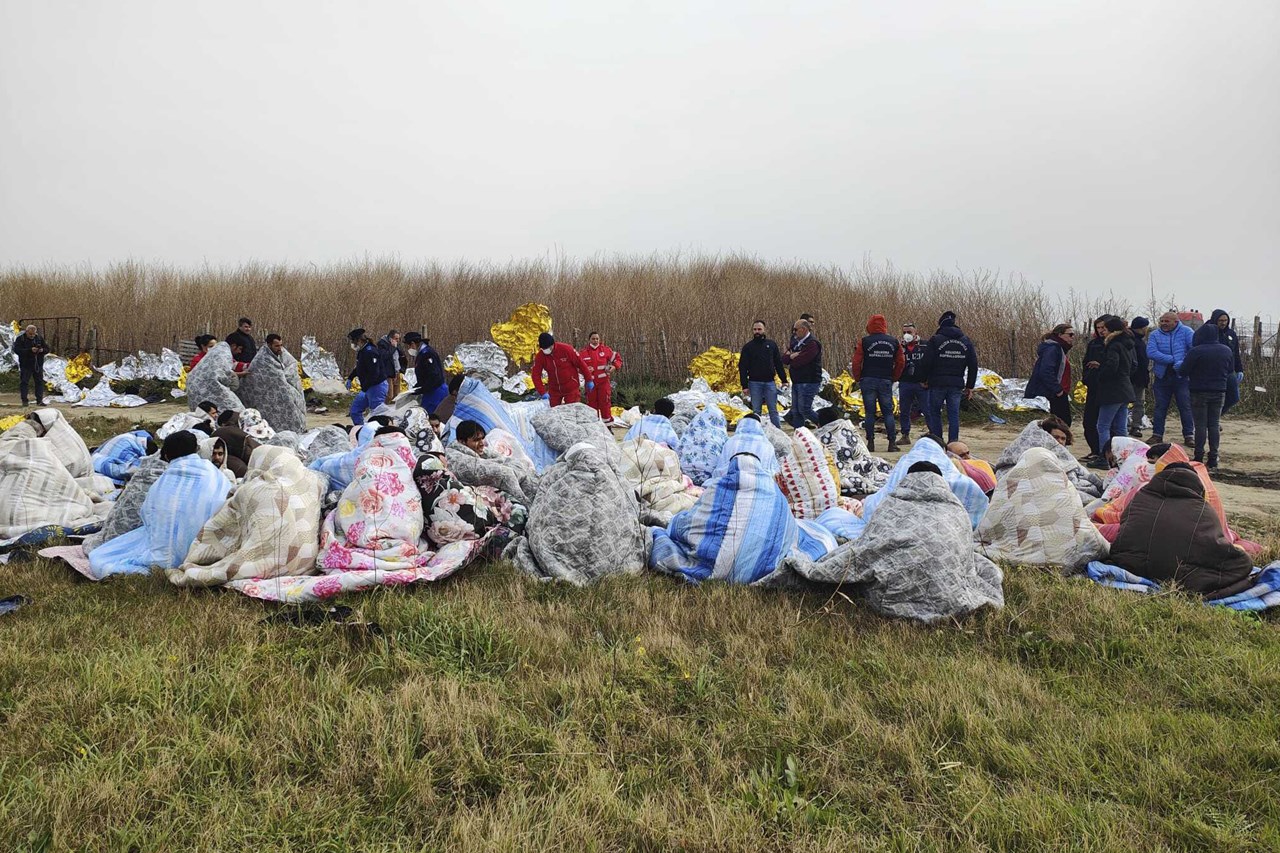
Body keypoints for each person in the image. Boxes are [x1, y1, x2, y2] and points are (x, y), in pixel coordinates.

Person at [1177, 322, 1234, 468]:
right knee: (1214, 424)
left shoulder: (1196, 351)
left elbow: (1183, 371)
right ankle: (1213, 457)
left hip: (1198, 390)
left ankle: (1198, 456)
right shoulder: (1226, 350)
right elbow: (1230, 370)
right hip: (1220, 390)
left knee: (1200, 425)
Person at [920, 311, 978, 444]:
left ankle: (937, 442)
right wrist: (970, 386)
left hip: (937, 383)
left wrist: (923, 379)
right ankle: (953, 442)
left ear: (941, 324)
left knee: (935, 413)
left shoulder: (935, 340)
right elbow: (973, 364)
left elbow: (926, 362)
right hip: (956, 384)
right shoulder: (966, 341)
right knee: (954, 415)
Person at [850, 314, 904, 452]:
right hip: (885, 380)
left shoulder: (865, 341)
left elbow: (856, 362)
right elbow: (901, 362)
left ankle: (870, 443)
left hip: (868, 379)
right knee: (888, 412)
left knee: (869, 412)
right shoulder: (894, 342)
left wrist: (858, 377)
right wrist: (894, 377)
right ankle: (892, 443)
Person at [1089, 317, 1137, 469]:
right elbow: (1132, 366)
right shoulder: (1128, 344)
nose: (1103, 331)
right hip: (1125, 389)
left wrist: (1100, 374)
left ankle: (1105, 457)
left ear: (1112, 330)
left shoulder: (1113, 345)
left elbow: (1112, 366)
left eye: (1106, 329)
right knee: (1121, 427)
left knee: (1102, 426)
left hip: (1112, 391)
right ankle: (1124, 456)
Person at [1146, 310, 1195, 447]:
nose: (1163, 324)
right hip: (1162, 376)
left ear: (1176, 322)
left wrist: (1182, 363)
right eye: (1162, 321)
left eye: (1167, 321)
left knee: (1185, 406)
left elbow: (1193, 350)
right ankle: (1157, 435)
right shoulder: (1154, 334)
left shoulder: (1187, 332)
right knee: (1160, 406)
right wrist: (1171, 359)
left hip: (1182, 376)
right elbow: (1151, 352)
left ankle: (1189, 435)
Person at [738, 320, 788, 428]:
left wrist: (784, 380)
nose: (757, 331)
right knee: (756, 411)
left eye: (759, 329)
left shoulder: (771, 345)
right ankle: (756, 431)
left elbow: (778, 363)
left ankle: (778, 433)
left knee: (773, 410)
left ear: (764, 330)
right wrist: (744, 385)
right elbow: (742, 367)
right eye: (755, 329)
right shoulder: (748, 347)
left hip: (770, 382)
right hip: (754, 383)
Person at [1024, 323, 1074, 425]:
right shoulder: (1052, 348)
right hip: (1053, 392)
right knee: (1061, 423)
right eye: (1070, 334)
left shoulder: (1059, 349)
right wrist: (1057, 390)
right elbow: (1046, 371)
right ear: (1060, 335)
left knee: (1060, 423)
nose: (1072, 338)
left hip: (1058, 391)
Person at [1079, 315, 1111, 457]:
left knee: (1106, 424)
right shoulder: (1093, 344)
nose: (1101, 331)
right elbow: (1085, 362)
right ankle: (1095, 450)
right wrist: (1086, 378)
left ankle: (1106, 453)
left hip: (1109, 388)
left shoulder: (1116, 344)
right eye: (1098, 328)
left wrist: (1100, 367)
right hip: (1093, 387)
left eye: (1103, 328)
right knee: (1089, 422)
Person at [531, 332, 592, 407]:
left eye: (547, 348)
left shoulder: (566, 349)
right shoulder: (540, 356)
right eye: (543, 349)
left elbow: (581, 364)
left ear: (552, 344)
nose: (546, 350)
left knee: (572, 412)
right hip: (554, 390)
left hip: (571, 387)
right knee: (554, 413)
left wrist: (589, 379)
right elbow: (535, 375)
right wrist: (542, 392)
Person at [782, 319, 822, 428]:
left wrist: (793, 358)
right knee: (796, 411)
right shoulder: (795, 342)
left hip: (809, 381)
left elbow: (800, 362)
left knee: (804, 409)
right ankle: (799, 433)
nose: (794, 332)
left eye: (795, 329)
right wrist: (791, 356)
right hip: (796, 380)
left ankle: (824, 423)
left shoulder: (812, 344)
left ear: (803, 329)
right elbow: (784, 359)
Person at [345, 328, 387, 426]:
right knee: (355, 411)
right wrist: (351, 377)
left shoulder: (370, 351)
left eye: (353, 341)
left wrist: (365, 388)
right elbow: (359, 367)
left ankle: (379, 432)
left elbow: (374, 373)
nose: (352, 344)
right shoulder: (362, 351)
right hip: (368, 387)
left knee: (377, 414)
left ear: (359, 340)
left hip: (376, 386)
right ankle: (361, 430)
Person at [579, 331, 623, 422]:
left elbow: (618, 359)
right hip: (591, 384)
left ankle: (608, 427)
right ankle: (594, 426)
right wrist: (585, 369)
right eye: (593, 339)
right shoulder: (583, 353)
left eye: (597, 339)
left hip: (603, 383)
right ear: (589, 340)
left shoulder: (605, 350)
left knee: (605, 404)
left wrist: (614, 366)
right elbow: (577, 366)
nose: (595, 341)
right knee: (592, 405)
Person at [1209, 309, 1245, 413]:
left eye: (1225, 320)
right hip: (1213, 372)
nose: (1223, 323)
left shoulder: (1231, 334)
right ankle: (1211, 421)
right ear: (1215, 320)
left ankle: (1214, 418)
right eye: (1220, 320)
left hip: (1229, 371)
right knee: (1214, 399)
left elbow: (1236, 353)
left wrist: (1239, 370)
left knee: (1234, 397)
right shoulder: (1208, 332)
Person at [897, 323, 927, 442]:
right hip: (905, 382)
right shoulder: (899, 347)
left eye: (909, 332)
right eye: (904, 332)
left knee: (927, 409)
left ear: (915, 333)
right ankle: (905, 435)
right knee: (904, 410)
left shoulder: (925, 345)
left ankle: (933, 434)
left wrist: (928, 379)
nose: (906, 335)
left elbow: (930, 363)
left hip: (921, 383)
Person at [404, 332, 447, 415]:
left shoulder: (427, 354)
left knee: (432, 415)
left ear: (413, 344)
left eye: (408, 346)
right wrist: (416, 388)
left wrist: (422, 389)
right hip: (429, 391)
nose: (408, 349)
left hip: (435, 391)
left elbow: (434, 375)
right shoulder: (422, 353)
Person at [13, 324, 48, 407]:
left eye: (33, 334)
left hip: (38, 364)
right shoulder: (20, 339)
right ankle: (24, 401)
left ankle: (39, 400)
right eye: (30, 334)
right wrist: (30, 350)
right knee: (24, 382)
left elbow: (47, 349)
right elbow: (17, 350)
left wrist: (42, 350)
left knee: (39, 382)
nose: (32, 336)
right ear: (26, 332)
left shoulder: (39, 338)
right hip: (26, 364)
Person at [1128, 317, 1151, 437]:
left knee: (1138, 403)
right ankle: (1134, 426)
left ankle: (1135, 426)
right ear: (1142, 328)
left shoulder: (1136, 340)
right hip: (1134, 378)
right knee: (1138, 403)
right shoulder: (1133, 341)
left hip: (1138, 378)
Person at [378, 330, 404, 398]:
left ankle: (393, 408)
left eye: (399, 339)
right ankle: (383, 407)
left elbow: (402, 356)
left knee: (397, 395)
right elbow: (384, 356)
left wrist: (402, 369)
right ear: (390, 338)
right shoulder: (382, 344)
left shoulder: (396, 344)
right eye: (396, 338)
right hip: (388, 373)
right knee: (389, 395)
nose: (398, 340)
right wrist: (392, 347)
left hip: (397, 371)